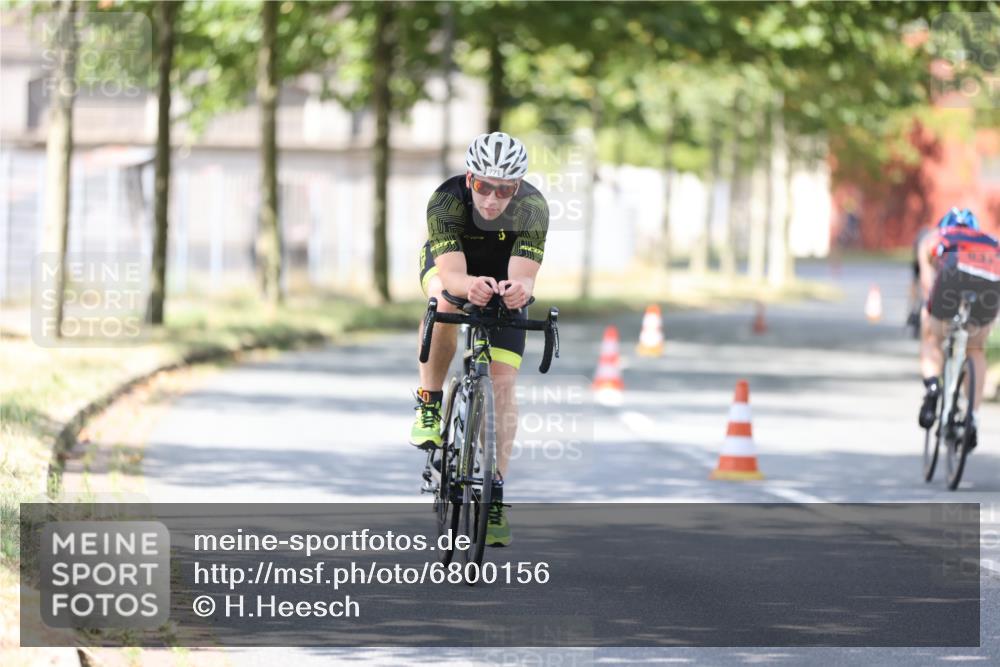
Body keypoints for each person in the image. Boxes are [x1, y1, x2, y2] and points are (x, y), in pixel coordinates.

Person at [409, 132, 549, 547]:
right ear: (470, 179)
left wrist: (520, 290)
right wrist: (468, 286)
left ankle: (496, 495)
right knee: (444, 301)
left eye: (504, 189)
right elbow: (452, 277)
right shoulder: (446, 200)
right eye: (483, 186)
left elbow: (524, 276)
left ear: (518, 187)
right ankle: (429, 405)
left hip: (502, 272)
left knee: (504, 381)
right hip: (453, 266)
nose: (491, 198)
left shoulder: (532, 208)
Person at [917, 207, 1000, 448]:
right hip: (992, 273)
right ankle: (972, 418)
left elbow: (926, 280)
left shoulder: (938, 235)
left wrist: (929, 309)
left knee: (932, 335)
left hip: (953, 271)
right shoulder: (987, 239)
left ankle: (932, 387)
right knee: (975, 348)